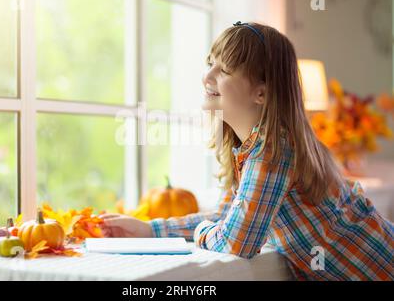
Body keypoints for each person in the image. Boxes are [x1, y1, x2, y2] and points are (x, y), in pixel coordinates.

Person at [99, 22, 393, 280]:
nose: (207, 76)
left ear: (261, 93)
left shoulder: (273, 150)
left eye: (223, 69)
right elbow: (226, 216)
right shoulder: (249, 148)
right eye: (209, 62)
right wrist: (149, 230)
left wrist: (202, 231)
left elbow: (238, 241)